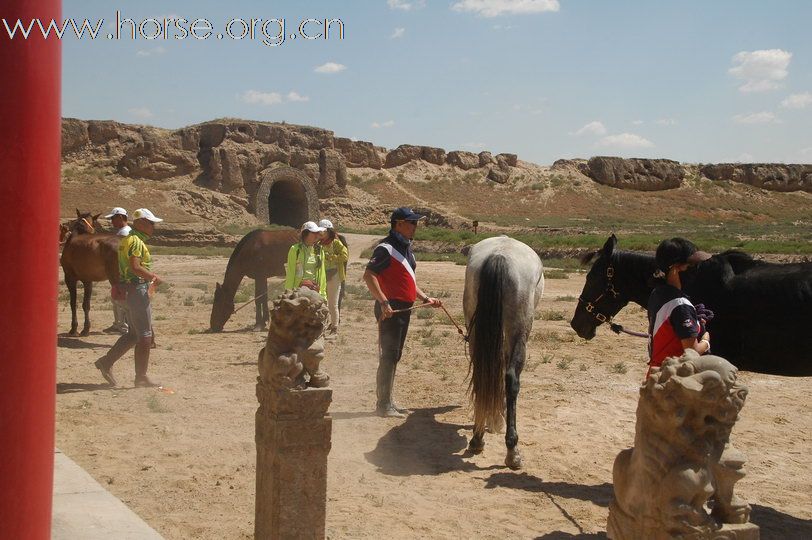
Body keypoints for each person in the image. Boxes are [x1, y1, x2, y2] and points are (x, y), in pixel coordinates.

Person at [363, 207, 442, 418]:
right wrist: (383, 302)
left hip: (402, 309)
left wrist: (426, 299)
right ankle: (383, 404)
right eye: (412, 223)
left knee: (394, 355)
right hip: (390, 309)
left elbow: (408, 281)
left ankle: (388, 400)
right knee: (388, 355)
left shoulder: (406, 248)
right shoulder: (386, 248)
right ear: (398, 224)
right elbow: (369, 275)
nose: (415, 227)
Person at [94, 208, 164, 388]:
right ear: (141, 223)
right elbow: (135, 267)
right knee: (145, 336)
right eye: (151, 223)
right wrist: (154, 277)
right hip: (137, 290)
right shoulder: (136, 242)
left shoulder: (127, 240)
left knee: (133, 334)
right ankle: (140, 377)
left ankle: (106, 362)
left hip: (127, 290)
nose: (153, 227)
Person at [646, 237, 712, 377]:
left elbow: (670, 331)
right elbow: (691, 351)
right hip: (675, 381)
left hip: (656, 376)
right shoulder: (681, 305)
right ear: (676, 268)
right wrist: (706, 340)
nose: (694, 270)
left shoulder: (657, 293)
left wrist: (696, 323)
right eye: (690, 265)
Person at [318, 219, 349, 335]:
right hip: (322, 275)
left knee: (332, 303)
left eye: (323, 231)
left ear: (328, 231)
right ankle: (324, 325)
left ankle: (335, 327)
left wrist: (331, 257)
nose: (321, 233)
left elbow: (345, 256)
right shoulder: (318, 244)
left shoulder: (336, 243)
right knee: (323, 302)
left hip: (335, 275)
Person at [103, 207, 131, 334]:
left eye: (113, 219)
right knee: (116, 298)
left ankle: (123, 326)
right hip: (121, 271)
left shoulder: (124, 233)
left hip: (122, 272)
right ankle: (118, 324)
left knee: (120, 299)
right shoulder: (123, 232)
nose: (111, 222)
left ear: (120, 217)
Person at [285, 221, 327, 300]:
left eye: (317, 233)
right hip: (298, 292)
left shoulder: (319, 250)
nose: (316, 236)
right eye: (313, 233)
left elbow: (322, 274)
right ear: (305, 234)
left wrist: (323, 294)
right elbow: (290, 273)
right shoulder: (295, 250)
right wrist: (288, 294)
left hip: (315, 291)